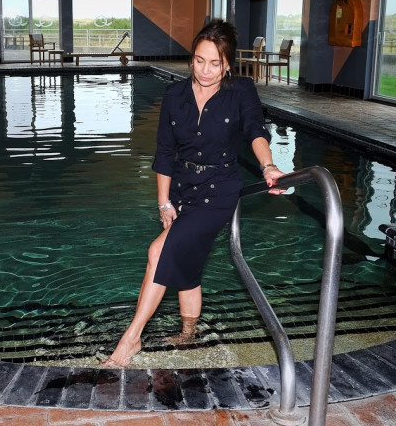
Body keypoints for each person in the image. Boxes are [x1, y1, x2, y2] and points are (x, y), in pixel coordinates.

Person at [100, 19, 286, 368]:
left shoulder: (241, 91)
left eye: (215, 63)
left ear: (228, 63)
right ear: (191, 59)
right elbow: (165, 153)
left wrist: (268, 166)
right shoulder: (174, 96)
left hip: (219, 190)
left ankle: (132, 338)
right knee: (187, 257)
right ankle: (188, 335)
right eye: (199, 60)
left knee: (159, 251)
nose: (206, 70)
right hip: (184, 191)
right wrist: (164, 201)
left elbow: (255, 131)